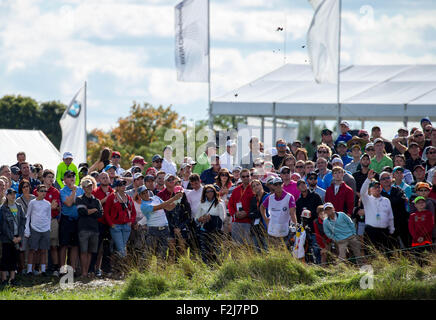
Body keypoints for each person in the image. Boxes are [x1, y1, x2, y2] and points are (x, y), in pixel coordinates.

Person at [137, 186, 183, 262]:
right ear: (140, 196)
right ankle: (143, 271)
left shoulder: (156, 198)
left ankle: (160, 271)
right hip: (153, 230)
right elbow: (160, 206)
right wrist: (174, 198)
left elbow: (169, 208)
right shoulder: (143, 206)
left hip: (164, 229)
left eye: (146, 192)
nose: (146, 194)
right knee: (149, 253)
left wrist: (178, 200)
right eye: (143, 193)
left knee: (163, 253)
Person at [360, 170, 395, 251]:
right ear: (370, 189)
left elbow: (390, 216)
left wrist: (391, 229)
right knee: (371, 253)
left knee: (385, 253)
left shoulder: (386, 200)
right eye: (374, 187)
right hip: (371, 231)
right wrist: (368, 179)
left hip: (384, 231)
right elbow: (362, 192)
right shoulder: (367, 199)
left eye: (378, 187)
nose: (377, 189)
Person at [76, 179, 103, 279]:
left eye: (91, 186)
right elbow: (82, 212)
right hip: (83, 228)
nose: (90, 188)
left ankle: (87, 272)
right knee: (83, 251)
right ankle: (84, 272)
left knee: (91, 251)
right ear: (83, 188)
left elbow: (100, 214)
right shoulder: (79, 199)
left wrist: (89, 210)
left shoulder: (97, 200)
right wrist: (94, 210)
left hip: (94, 229)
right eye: (87, 186)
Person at [59, 170, 84, 275]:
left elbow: (81, 203)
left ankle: (72, 269)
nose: (72, 178)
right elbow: (69, 203)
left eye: (73, 176)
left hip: (77, 220)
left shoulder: (81, 190)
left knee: (75, 245)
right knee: (64, 245)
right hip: (66, 220)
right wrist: (73, 192)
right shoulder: (62, 191)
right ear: (64, 180)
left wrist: (74, 200)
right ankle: (62, 269)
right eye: (69, 176)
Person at [260, 177, 297, 249]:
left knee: (284, 251)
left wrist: (295, 225)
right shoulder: (270, 198)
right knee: (272, 252)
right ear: (273, 186)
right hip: (272, 229)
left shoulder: (289, 197)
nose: (278, 186)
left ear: (282, 184)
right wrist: (265, 218)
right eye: (276, 184)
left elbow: (292, 213)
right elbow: (262, 207)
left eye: (280, 184)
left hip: (284, 229)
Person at [105, 179, 136, 259]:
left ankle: (118, 268)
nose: (123, 186)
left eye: (124, 184)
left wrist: (131, 222)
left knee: (122, 247)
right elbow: (106, 212)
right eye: (120, 185)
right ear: (117, 187)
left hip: (126, 226)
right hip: (116, 226)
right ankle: (123, 268)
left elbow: (133, 212)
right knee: (121, 248)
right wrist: (111, 224)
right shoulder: (112, 197)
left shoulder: (128, 198)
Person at [24, 184, 52, 276]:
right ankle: (29, 270)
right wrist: (27, 229)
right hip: (34, 228)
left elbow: (49, 217)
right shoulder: (32, 202)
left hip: (45, 229)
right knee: (32, 250)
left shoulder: (48, 204)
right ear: (37, 192)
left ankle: (43, 270)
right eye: (42, 191)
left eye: (45, 191)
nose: (43, 193)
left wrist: (48, 228)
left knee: (43, 250)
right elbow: (28, 216)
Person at [0, 188, 26, 286]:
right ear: (6, 196)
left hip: (17, 237)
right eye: (10, 194)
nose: (13, 196)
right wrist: (12, 238)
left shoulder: (19, 206)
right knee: (5, 258)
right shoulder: (3, 208)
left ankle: (12, 278)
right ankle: (4, 279)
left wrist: (19, 236)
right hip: (7, 238)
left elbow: (23, 221)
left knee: (14, 258)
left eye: (14, 194)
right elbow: (3, 226)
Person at [91, 171, 114, 277]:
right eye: (103, 178)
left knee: (108, 247)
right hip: (99, 222)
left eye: (107, 177)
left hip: (110, 223)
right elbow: (95, 205)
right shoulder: (95, 191)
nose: (105, 179)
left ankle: (106, 269)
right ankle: (94, 269)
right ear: (99, 180)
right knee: (96, 247)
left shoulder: (112, 191)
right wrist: (106, 199)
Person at [195, 185, 226, 264]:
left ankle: (216, 268)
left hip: (215, 231)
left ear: (215, 192)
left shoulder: (219, 203)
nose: (210, 193)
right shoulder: (201, 204)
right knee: (204, 252)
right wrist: (201, 219)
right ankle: (206, 269)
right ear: (205, 193)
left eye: (211, 191)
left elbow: (223, 218)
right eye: (207, 191)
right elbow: (196, 218)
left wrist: (211, 217)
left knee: (216, 252)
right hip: (204, 230)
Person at [379, 171, 410, 248]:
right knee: (391, 248)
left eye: (387, 178)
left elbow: (400, 200)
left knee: (407, 247)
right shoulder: (379, 194)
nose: (386, 180)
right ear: (380, 182)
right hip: (387, 225)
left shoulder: (398, 190)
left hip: (401, 223)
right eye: (383, 179)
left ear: (391, 178)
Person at [296, 179, 323, 263]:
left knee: (316, 249)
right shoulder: (299, 202)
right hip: (304, 230)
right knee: (306, 249)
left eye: (304, 183)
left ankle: (319, 266)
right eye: (300, 185)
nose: (303, 186)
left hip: (315, 227)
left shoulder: (315, 196)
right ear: (298, 188)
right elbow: (297, 216)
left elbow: (321, 211)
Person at [228, 168, 254, 245]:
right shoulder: (236, 190)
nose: (246, 178)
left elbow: (257, 205)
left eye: (247, 176)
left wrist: (247, 213)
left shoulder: (254, 188)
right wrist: (234, 213)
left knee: (248, 246)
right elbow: (230, 204)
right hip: (236, 221)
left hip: (249, 221)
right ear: (240, 177)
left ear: (250, 177)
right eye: (243, 176)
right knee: (236, 246)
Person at [248, 179, 269, 253]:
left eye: (257, 184)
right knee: (256, 251)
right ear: (252, 189)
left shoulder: (267, 196)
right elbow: (250, 214)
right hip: (255, 228)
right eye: (253, 186)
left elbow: (265, 212)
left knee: (267, 249)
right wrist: (258, 213)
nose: (256, 187)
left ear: (261, 185)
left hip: (265, 226)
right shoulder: (253, 199)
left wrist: (255, 213)